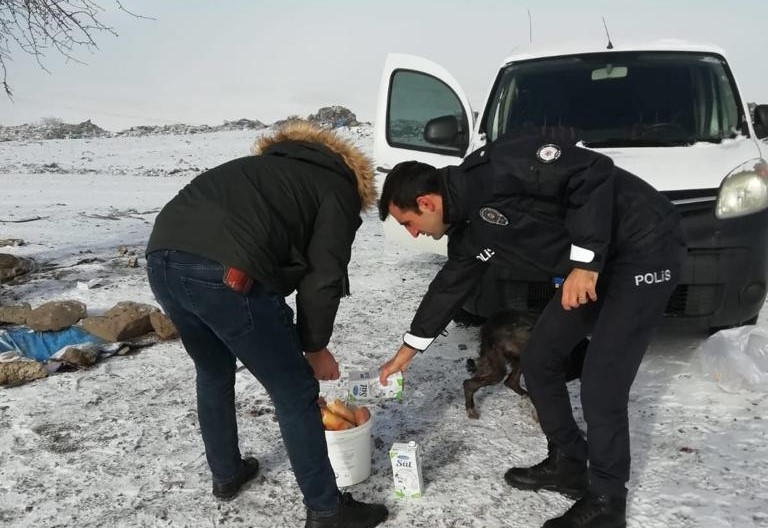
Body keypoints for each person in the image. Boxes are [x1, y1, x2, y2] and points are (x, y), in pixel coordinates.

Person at [376, 131, 686, 528]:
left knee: (601, 383)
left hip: (642, 246)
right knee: (539, 360)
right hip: (592, 266)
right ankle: (569, 463)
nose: (413, 233)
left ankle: (608, 501)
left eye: (409, 223)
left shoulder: (497, 168)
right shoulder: (469, 228)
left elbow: (592, 171)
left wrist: (587, 262)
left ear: (425, 202)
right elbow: (449, 286)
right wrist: (406, 352)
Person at [145, 121, 388, 528]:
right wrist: (314, 347)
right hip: (226, 272)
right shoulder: (337, 188)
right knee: (294, 390)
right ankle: (327, 510)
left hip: (161, 259)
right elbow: (323, 277)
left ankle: (226, 474)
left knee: (213, 370)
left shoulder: (259, 168)